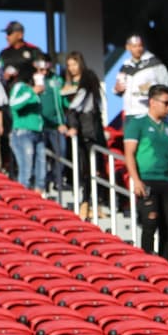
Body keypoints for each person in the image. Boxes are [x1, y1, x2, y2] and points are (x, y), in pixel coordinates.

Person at [123, 85, 168, 262]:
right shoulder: (137, 123)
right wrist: (136, 180)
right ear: (152, 102)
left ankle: (165, 262)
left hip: (166, 180)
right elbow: (129, 153)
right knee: (150, 220)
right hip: (147, 178)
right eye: (166, 103)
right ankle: (147, 261)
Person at [63, 51, 107, 221]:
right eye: (69, 65)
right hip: (84, 132)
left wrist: (73, 124)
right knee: (84, 168)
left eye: (74, 64)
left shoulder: (88, 79)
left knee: (93, 168)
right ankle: (87, 203)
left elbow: (78, 105)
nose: (72, 68)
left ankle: (90, 203)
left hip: (90, 131)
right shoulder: (68, 83)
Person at [112, 34, 168, 119]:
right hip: (130, 113)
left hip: (149, 112)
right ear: (128, 47)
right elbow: (117, 89)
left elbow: (167, 84)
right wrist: (117, 89)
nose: (138, 49)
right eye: (134, 46)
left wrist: (151, 90)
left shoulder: (153, 62)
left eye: (140, 46)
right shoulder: (125, 67)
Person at [6, 64, 45, 191]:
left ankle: (39, 194)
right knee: (26, 169)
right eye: (36, 72)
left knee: (41, 169)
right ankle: (23, 196)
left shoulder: (33, 90)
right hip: (23, 133)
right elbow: (13, 103)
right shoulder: (20, 86)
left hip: (38, 132)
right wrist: (32, 92)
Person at [34, 58, 68, 191]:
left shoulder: (57, 80)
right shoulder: (32, 80)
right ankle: (41, 182)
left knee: (61, 152)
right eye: (41, 68)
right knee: (41, 155)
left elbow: (63, 101)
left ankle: (56, 179)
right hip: (39, 126)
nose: (44, 71)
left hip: (56, 125)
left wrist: (62, 122)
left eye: (46, 68)